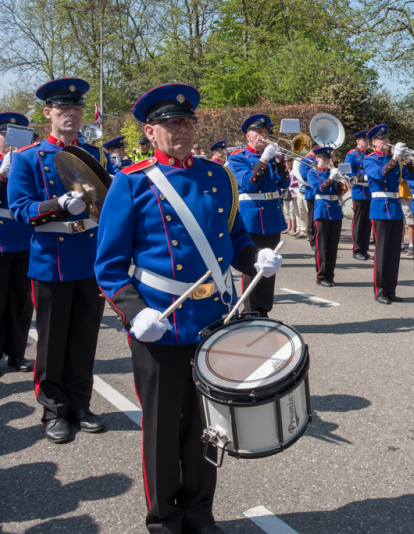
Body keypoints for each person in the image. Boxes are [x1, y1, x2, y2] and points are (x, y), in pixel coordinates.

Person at [95, 83, 282, 534]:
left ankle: (200, 512)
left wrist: (252, 257)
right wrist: (134, 311)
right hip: (159, 322)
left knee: (208, 425)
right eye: (170, 123)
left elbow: (234, 236)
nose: (181, 129)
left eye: (187, 121)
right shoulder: (133, 181)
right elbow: (108, 264)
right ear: (150, 132)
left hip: (212, 320)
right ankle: (164, 520)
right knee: (161, 430)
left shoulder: (217, 176)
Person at [9, 78, 118, 442]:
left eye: (76, 109)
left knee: (85, 338)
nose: (71, 114)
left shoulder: (97, 156)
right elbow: (21, 209)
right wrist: (56, 206)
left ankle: (80, 404)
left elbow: (111, 202)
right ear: (48, 114)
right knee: (53, 341)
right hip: (50, 260)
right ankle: (54, 409)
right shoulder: (27, 158)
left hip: (90, 258)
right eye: (63, 109)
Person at [227, 113, 289, 318]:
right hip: (252, 218)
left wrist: (279, 161)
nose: (264, 136)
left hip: (272, 215)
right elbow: (247, 183)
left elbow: (285, 184)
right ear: (248, 136)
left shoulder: (272, 158)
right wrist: (264, 159)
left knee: (270, 265)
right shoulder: (238, 157)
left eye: (266, 132)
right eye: (259, 132)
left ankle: (264, 309)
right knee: (253, 265)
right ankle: (250, 310)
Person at [0, 112, 35, 378]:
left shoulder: (26, 162)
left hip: (24, 237)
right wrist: (0, 175)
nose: (9, 140)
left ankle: (16, 353)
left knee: (21, 303)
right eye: (5, 134)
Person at [364, 124, 413, 305]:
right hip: (379, 209)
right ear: (374, 142)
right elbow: (379, 175)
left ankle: (391, 290)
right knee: (382, 253)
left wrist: (407, 160)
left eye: (387, 139)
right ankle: (380, 291)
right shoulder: (370, 159)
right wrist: (395, 158)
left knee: (394, 253)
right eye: (382, 139)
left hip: (395, 208)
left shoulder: (397, 161)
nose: (386, 141)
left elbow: (413, 177)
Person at [307, 147, 343, 286]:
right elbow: (318, 189)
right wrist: (331, 178)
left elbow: (339, 191)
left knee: (333, 246)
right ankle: (321, 276)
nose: (326, 161)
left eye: (328, 158)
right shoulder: (312, 173)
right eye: (323, 158)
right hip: (322, 209)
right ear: (317, 159)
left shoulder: (332, 172)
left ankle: (330, 275)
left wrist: (340, 180)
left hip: (335, 210)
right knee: (322, 246)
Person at [344, 129, 373, 260]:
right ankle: (357, 249)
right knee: (359, 222)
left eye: (368, 140)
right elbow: (347, 173)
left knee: (367, 223)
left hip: (370, 192)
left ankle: (365, 248)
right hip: (359, 191)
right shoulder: (351, 155)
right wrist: (362, 176)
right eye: (364, 140)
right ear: (358, 141)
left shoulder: (371, 154)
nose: (367, 142)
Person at [299, 143, 320, 251]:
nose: (317, 149)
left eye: (318, 148)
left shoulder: (322, 159)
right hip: (311, 193)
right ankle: (312, 240)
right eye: (315, 148)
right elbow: (304, 175)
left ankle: (320, 239)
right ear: (311, 149)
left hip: (322, 193)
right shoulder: (306, 160)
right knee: (312, 218)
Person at [282, 156, 299, 236]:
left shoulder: (294, 171)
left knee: (292, 211)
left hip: (293, 193)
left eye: (288, 161)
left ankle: (293, 228)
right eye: (285, 161)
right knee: (286, 210)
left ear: (291, 162)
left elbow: (296, 182)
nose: (286, 162)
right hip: (285, 193)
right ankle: (288, 227)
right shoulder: (285, 171)